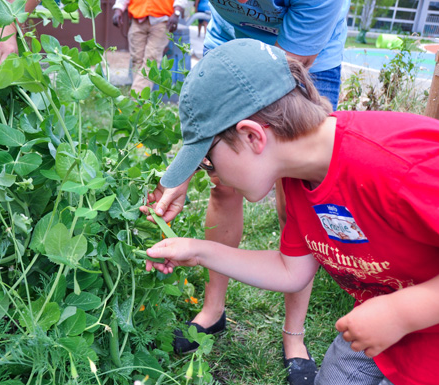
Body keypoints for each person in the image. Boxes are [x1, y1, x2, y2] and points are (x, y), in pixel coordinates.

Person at [142, 38, 439, 385]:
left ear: (252, 137)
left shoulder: (400, 164)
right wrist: (197, 250)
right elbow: (290, 271)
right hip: (385, 324)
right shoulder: (299, 178)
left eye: (207, 160)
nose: (212, 174)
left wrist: (401, 313)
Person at [148, 1, 350, 383]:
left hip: (306, 57)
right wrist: (196, 160)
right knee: (223, 189)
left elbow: (275, 80)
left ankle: (294, 334)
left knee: (298, 199)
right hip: (230, 45)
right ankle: (212, 309)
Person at [112, 0, 187, 94]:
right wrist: (118, 10)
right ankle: (141, 100)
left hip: (162, 21)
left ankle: (135, 101)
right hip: (138, 19)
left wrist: (177, 13)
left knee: (151, 61)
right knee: (136, 60)